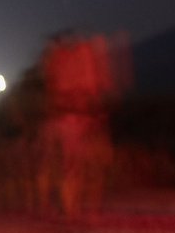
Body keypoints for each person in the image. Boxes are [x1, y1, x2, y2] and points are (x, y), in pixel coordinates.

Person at [35, 31, 123, 216]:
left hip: (65, 118)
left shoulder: (55, 62)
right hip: (72, 120)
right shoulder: (74, 62)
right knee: (72, 166)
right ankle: (69, 207)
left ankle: (61, 205)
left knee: (65, 165)